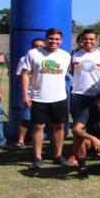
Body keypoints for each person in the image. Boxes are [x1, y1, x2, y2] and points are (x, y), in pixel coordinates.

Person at [21, 28, 72, 175]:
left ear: (61, 41)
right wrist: (25, 95)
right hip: (38, 97)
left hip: (59, 97)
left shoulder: (65, 55)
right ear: (45, 39)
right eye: (51, 38)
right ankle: (37, 157)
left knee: (59, 127)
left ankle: (58, 156)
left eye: (57, 39)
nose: (54, 41)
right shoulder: (33, 53)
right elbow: (25, 74)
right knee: (38, 127)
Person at [12, 37, 45, 149]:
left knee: (47, 120)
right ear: (31, 47)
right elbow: (18, 75)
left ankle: (48, 141)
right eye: (36, 46)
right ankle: (20, 140)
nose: (38, 48)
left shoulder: (47, 59)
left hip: (44, 93)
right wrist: (27, 75)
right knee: (26, 117)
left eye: (41, 46)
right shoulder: (24, 59)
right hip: (30, 93)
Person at [69, 29, 100, 123]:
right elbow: (71, 72)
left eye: (91, 39)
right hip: (78, 94)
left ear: (96, 40)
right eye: (85, 39)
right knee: (78, 123)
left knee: (95, 124)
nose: (88, 41)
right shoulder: (74, 54)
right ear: (81, 40)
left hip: (97, 94)